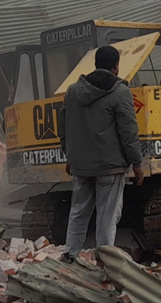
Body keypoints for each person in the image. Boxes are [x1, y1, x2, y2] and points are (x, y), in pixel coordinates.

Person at [57, 45, 144, 262]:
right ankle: (105, 261)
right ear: (116, 66)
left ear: (95, 64)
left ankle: (70, 256)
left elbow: (64, 125)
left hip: (81, 165)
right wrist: (137, 162)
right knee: (107, 217)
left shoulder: (72, 91)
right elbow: (128, 131)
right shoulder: (120, 92)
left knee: (78, 212)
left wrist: (69, 155)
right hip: (110, 165)